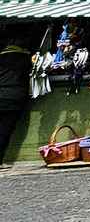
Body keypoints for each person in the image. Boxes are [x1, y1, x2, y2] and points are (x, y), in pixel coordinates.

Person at [0, 29, 32, 169]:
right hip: (15, 98)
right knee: (5, 130)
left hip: (2, 94)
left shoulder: (1, 57)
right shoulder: (26, 58)